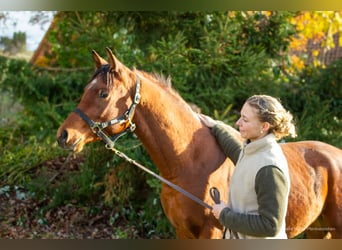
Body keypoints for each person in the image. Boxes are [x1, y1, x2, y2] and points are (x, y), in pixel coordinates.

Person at [199, 94, 296, 239]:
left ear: (264, 126)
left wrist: (224, 215)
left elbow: (270, 225)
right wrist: (217, 127)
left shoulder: (269, 168)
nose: (238, 123)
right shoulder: (253, 149)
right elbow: (238, 154)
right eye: (241, 117)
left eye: (245, 120)